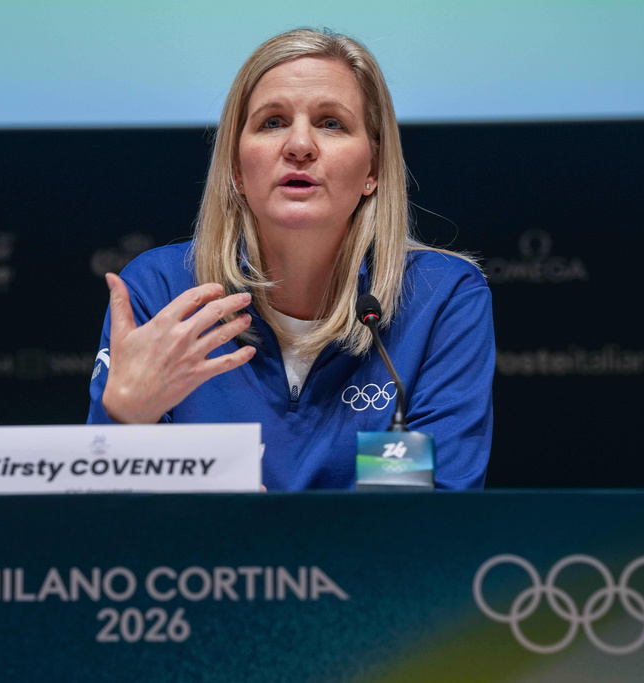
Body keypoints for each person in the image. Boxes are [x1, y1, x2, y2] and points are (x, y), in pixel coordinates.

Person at [87, 28, 493, 491]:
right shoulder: (162, 292)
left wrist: (273, 532)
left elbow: (430, 520)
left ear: (374, 169)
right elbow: (112, 532)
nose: (299, 146)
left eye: (331, 123)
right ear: (237, 170)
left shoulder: (438, 299)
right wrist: (123, 422)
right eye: (272, 122)